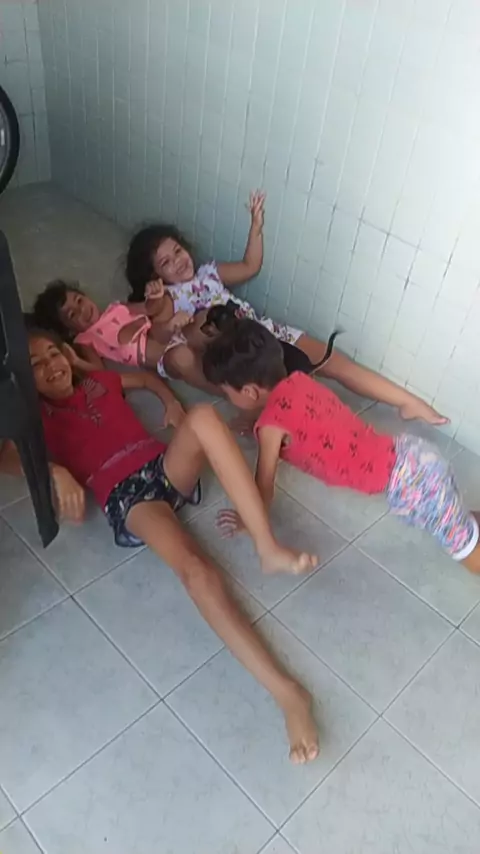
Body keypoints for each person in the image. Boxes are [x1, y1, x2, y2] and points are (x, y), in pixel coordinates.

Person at [0, 328, 320, 764]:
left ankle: (267, 547)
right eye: (36, 365)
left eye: (53, 353)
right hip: (128, 496)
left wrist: (169, 401)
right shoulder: (37, 418)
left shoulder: (100, 381)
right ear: (26, 379)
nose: (51, 366)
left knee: (203, 416)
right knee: (196, 571)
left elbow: (147, 379)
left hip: (161, 465)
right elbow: (6, 455)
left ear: (68, 354)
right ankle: (288, 694)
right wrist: (54, 471)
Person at [125, 192, 448, 426]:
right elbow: (161, 333)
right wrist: (165, 313)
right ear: (155, 276)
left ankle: (407, 401)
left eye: (177, 251)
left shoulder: (210, 273)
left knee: (332, 362)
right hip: (228, 358)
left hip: (260, 333)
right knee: (297, 399)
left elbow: (250, 266)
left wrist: (256, 228)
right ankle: (254, 407)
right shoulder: (167, 296)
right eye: (166, 263)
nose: (178, 261)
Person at [202, 319, 480, 573]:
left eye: (226, 391)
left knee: (464, 548)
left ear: (249, 392)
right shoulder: (300, 380)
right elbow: (303, 421)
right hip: (413, 455)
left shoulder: (270, 428)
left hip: (412, 483)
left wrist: (248, 521)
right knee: (458, 518)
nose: (227, 397)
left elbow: (263, 489)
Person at [32, 278, 193, 373]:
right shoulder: (85, 339)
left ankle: (176, 328)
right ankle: (175, 331)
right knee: (132, 338)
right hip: (153, 352)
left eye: (79, 301)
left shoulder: (116, 307)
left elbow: (148, 309)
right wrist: (76, 362)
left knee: (164, 302)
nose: (82, 309)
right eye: (72, 314)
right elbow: (99, 369)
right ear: (69, 330)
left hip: (158, 330)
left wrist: (154, 296)